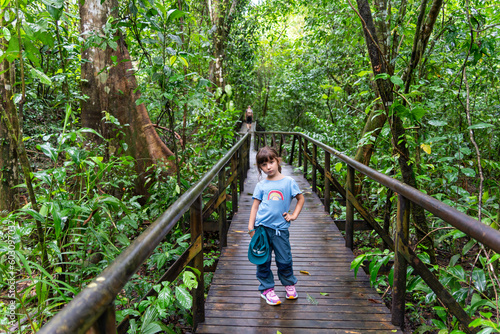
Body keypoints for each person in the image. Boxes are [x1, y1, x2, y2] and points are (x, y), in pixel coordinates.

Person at [248, 146, 305, 306]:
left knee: (284, 259)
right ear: (260, 167)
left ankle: (289, 284)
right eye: (264, 165)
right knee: (263, 260)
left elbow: (300, 199)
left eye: (271, 162)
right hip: (262, 229)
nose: (269, 167)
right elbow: (255, 206)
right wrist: (251, 226)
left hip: (280, 229)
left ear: (277, 161)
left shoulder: (289, 182)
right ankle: (266, 289)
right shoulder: (261, 185)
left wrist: (293, 215)